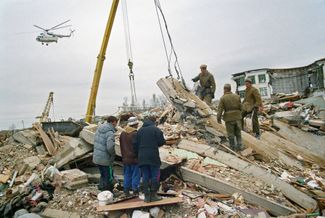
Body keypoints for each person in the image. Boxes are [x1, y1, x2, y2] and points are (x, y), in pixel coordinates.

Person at [134, 115, 166, 202]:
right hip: (153, 156)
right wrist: (154, 144)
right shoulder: (156, 129)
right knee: (154, 175)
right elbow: (162, 142)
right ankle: (153, 195)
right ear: (154, 122)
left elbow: (135, 145)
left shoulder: (139, 131)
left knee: (145, 176)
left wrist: (139, 153)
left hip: (142, 157)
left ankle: (147, 196)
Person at [92, 116, 118, 191]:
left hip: (97, 158)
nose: (116, 124)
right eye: (116, 122)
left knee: (103, 175)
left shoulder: (99, 129)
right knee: (108, 176)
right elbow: (110, 147)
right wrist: (113, 155)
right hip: (105, 159)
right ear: (113, 122)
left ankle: (101, 189)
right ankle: (108, 192)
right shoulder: (110, 132)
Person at [217, 84, 243, 151]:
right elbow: (241, 107)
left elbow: (220, 109)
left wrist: (218, 119)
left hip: (229, 118)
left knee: (231, 134)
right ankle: (240, 146)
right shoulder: (237, 96)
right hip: (237, 117)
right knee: (238, 133)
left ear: (225, 89)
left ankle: (232, 147)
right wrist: (240, 115)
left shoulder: (223, 98)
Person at [119, 117, 141, 196]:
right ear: (135, 124)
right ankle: (135, 190)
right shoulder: (135, 134)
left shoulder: (123, 133)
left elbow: (121, 146)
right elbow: (137, 147)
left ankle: (126, 191)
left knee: (127, 175)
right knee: (136, 175)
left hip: (125, 158)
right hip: (135, 159)